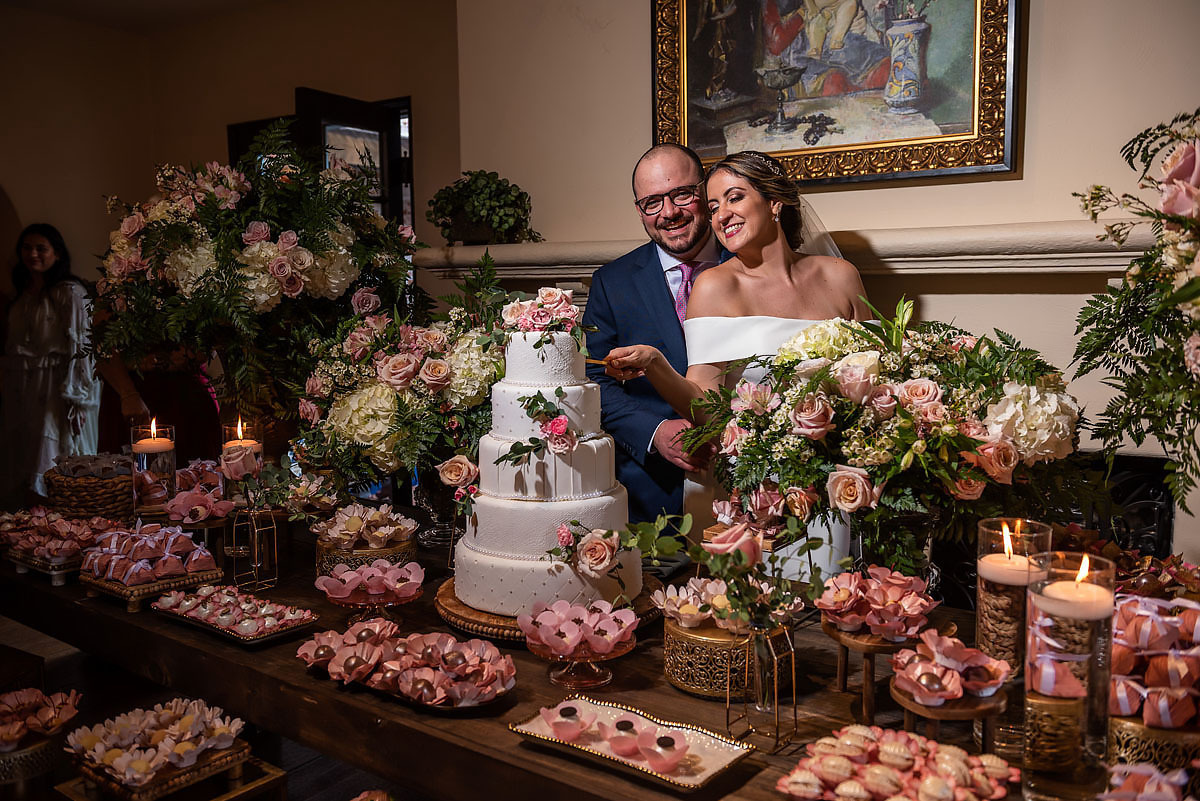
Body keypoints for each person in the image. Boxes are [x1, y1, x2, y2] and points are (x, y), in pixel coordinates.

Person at [604, 150, 870, 525]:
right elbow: (706, 408)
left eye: (735, 197)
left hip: (840, 479)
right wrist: (655, 364)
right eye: (713, 206)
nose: (721, 215)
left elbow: (874, 383)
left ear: (774, 202)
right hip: (755, 487)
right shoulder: (715, 286)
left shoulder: (842, 275)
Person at [583, 143, 728, 524]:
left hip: (750, 481)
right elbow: (595, 379)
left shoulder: (753, 265)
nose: (669, 213)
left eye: (682, 194)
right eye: (652, 202)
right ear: (639, 209)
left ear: (705, 190)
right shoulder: (611, 283)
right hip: (651, 495)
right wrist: (655, 431)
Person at [0, 224, 103, 508]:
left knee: (54, 453)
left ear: (56, 253)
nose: (32, 254)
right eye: (27, 248)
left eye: (40, 248)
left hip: (59, 389)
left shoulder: (70, 293)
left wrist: (78, 400)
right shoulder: (20, 297)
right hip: (24, 389)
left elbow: (82, 348)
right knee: (23, 453)